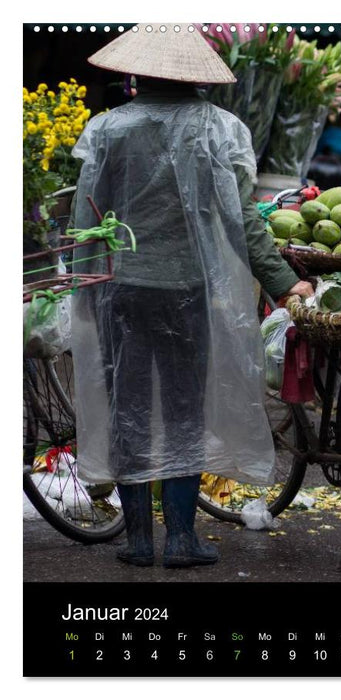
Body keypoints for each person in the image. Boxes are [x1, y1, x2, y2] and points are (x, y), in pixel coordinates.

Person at [70, 25, 313, 568]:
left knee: (126, 406)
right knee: (182, 410)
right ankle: (180, 538)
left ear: (137, 73)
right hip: (186, 292)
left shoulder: (107, 130)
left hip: (120, 292)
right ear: (197, 77)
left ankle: (137, 541)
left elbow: (83, 220)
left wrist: (81, 295)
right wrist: (282, 281)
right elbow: (241, 219)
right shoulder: (220, 130)